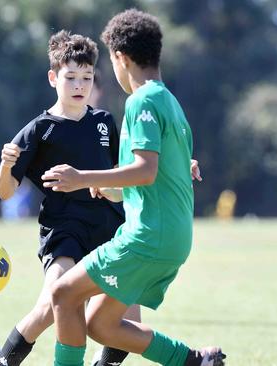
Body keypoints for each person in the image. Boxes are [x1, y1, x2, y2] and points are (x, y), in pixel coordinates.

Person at [43, 10, 225, 366]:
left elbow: (144, 170)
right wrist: (111, 189)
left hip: (148, 236)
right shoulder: (169, 101)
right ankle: (194, 361)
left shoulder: (141, 101)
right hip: (172, 235)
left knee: (63, 293)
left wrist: (83, 178)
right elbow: (156, 176)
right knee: (101, 323)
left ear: (119, 58)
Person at [0, 30, 140, 366]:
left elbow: (122, 177)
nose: (80, 85)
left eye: (87, 78)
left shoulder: (104, 122)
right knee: (51, 305)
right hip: (65, 232)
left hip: (110, 230)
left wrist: (113, 189)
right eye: (71, 77)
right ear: (53, 78)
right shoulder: (38, 130)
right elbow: (5, 192)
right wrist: (6, 166)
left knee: (126, 325)